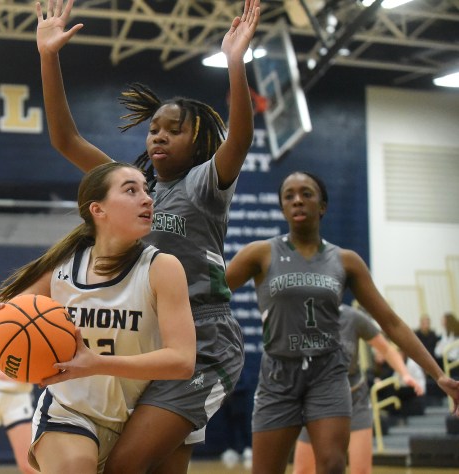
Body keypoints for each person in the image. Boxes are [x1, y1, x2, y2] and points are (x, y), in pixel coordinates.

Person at [34, 0, 261, 472]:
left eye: (172, 130)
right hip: (149, 340)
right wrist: (48, 56)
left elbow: (238, 139)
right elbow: (65, 140)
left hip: (203, 345)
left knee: (122, 466)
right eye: (153, 129)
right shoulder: (131, 189)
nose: (157, 136)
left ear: (198, 141)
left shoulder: (203, 185)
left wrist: (235, 64)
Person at [225, 171, 459, 474]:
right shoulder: (260, 253)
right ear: (282, 207)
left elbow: (391, 322)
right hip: (278, 375)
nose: (298, 200)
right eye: (289, 195)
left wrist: (438, 374)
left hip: (328, 374)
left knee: (333, 465)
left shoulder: (346, 261)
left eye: (306, 193)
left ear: (322, 206)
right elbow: (211, 294)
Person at [0, 161, 197, 474]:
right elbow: (1, 319)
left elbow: (182, 361)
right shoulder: (64, 267)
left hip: (141, 417)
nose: (147, 199)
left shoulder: (163, 268)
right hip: (70, 413)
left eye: (146, 191)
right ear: (98, 209)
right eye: (131, 190)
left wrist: (96, 363)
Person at [291, 303, 424, 474]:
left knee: (361, 470)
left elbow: (386, 349)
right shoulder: (303, 317)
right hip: (317, 400)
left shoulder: (352, 317)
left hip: (354, 398)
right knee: (303, 470)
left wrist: (405, 374)